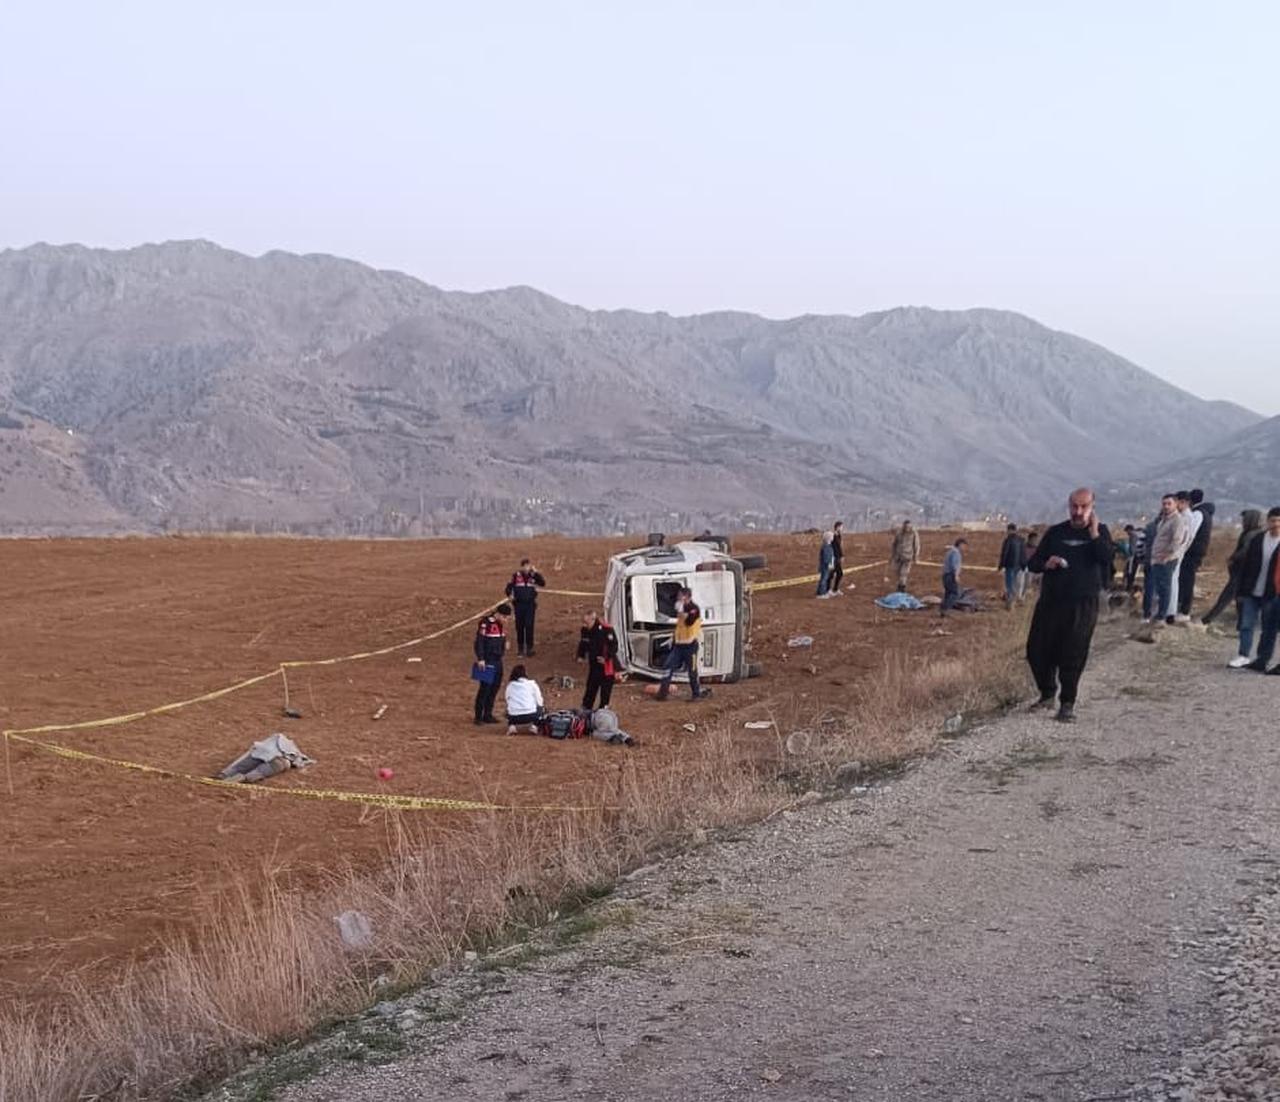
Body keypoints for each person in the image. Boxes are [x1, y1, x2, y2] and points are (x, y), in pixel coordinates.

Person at [1025, 487, 1113, 723]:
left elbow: (1106, 559)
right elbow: (1033, 563)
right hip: (1051, 602)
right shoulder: (1055, 533)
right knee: (1036, 651)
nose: (1078, 511)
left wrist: (1094, 533)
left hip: (1083, 605)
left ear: (1092, 508)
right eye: (1074, 506)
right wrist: (1047, 563)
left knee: (1072, 654)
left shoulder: (1100, 533)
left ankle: (1067, 703)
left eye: (1084, 507)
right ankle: (1047, 693)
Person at [1203, 509, 1264, 627]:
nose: (1243, 521)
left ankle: (1208, 619)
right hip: (1241, 571)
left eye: (1245, 519)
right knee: (1239, 598)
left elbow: (1244, 551)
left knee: (1227, 596)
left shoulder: (1253, 535)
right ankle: (1242, 624)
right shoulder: (1250, 533)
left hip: (1243, 572)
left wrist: (1233, 558)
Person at [1237, 507, 1280, 672]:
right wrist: (1241, 588)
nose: (1275, 524)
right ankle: (1259, 659)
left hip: (1273, 592)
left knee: (1270, 626)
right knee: (1255, 626)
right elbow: (1246, 565)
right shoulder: (1258, 540)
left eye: (1278, 521)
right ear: (1267, 521)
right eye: (1273, 520)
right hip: (1253, 588)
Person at [655, 586, 712, 701]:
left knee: (692, 671)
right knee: (668, 666)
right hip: (679, 646)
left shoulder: (693, 608)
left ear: (688, 597)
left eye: (681, 597)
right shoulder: (681, 609)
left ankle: (696, 694)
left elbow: (689, 622)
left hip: (690, 646)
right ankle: (663, 692)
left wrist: (683, 610)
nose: (679, 599)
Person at [1147, 494, 1188, 624]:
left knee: (1164, 588)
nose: (1166, 506)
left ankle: (1162, 616)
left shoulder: (1177, 520)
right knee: (1159, 588)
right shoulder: (1164, 519)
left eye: (1169, 503)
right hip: (1157, 559)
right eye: (1164, 504)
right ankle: (1159, 613)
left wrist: (1167, 556)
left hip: (1166, 560)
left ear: (1176, 504)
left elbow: (1177, 541)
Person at [1176, 489, 1214, 621]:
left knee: (1186, 581)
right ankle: (1182, 608)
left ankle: (1184, 610)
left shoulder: (1198, 514)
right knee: (1187, 580)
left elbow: (1190, 534)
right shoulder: (1206, 514)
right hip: (1197, 551)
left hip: (1192, 552)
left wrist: (1182, 549)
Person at [472, 603, 512, 725]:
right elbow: (479, 641)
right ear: (498, 614)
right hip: (488, 660)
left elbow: (501, 638)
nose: (506, 620)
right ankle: (478, 716)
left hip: (498, 659)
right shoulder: (486, 623)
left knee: (495, 687)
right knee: (484, 688)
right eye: (504, 617)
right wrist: (480, 658)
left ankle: (487, 714)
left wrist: (504, 646)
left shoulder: (502, 625)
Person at [577, 612, 622, 709]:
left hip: (606, 667)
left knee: (605, 692)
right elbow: (583, 642)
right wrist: (581, 655)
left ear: (593, 619)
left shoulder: (606, 629)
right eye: (583, 622)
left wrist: (606, 658)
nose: (584, 625)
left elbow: (614, 646)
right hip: (594, 665)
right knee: (590, 689)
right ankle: (586, 709)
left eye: (586, 622)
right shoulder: (585, 630)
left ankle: (603, 711)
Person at [504, 559, 547, 657]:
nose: (526, 568)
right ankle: (520, 649)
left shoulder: (533, 576)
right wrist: (509, 595)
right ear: (522, 566)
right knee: (519, 626)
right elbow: (508, 587)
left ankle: (529, 648)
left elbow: (543, 583)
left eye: (528, 566)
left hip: (530, 605)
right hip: (518, 605)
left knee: (529, 626)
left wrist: (536, 573)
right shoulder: (516, 576)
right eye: (525, 566)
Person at [1165, 491, 1197, 622]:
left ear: (1184, 502)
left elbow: (1186, 538)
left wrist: (1176, 551)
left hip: (1176, 553)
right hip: (1177, 552)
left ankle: (1170, 612)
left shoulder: (1187, 517)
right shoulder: (1182, 516)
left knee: (1172, 581)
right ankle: (1170, 610)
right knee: (1172, 581)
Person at [503, 665, 545, 734]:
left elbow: (507, 699)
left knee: (509, 710)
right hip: (531, 715)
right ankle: (535, 726)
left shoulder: (510, 686)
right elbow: (539, 700)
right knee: (541, 709)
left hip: (514, 716)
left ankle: (512, 726)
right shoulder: (532, 684)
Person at [890, 520, 921, 592]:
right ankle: (899, 586)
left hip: (908, 557)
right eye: (905, 526)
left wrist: (916, 557)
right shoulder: (899, 533)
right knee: (897, 572)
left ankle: (902, 588)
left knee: (903, 573)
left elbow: (916, 545)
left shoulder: (914, 533)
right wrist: (893, 556)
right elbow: (894, 544)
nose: (907, 528)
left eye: (908, 527)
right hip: (898, 556)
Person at [997, 524, 1025, 604]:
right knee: (1015, 583)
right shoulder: (1021, 540)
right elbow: (1023, 554)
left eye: (1008, 530)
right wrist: (1023, 565)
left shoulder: (1008, 540)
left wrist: (1001, 565)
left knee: (1009, 584)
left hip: (1009, 565)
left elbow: (1004, 553)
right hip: (1018, 566)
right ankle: (1016, 599)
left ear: (1010, 530)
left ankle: (1010, 601)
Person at [940, 538, 966, 616]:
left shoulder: (950, 551)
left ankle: (943, 609)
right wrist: (956, 576)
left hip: (945, 575)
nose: (964, 548)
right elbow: (955, 565)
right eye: (964, 546)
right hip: (950, 575)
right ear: (960, 544)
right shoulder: (956, 553)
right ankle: (945, 609)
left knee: (948, 593)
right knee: (955, 593)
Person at [816, 531, 835, 598]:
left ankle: (820, 592)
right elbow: (826, 557)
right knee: (824, 579)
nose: (833, 537)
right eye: (832, 536)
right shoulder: (826, 547)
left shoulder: (828, 546)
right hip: (825, 566)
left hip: (826, 566)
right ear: (829, 538)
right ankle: (821, 594)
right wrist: (829, 564)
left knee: (824, 579)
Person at [829, 521, 845, 597]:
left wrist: (841, 556)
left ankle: (835, 590)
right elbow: (835, 547)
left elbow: (839, 547)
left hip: (837, 558)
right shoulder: (833, 536)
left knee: (839, 574)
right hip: (833, 558)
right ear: (837, 527)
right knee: (831, 574)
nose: (842, 528)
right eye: (841, 527)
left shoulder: (839, 536)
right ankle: (828, 590)